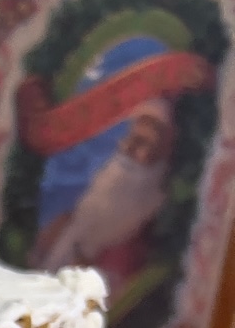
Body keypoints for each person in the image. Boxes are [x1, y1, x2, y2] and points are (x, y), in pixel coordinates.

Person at [35, 98, 174, 289]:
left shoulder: (149, 202)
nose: (130, 148)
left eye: (143, 141)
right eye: (133, 137)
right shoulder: (114, 172)